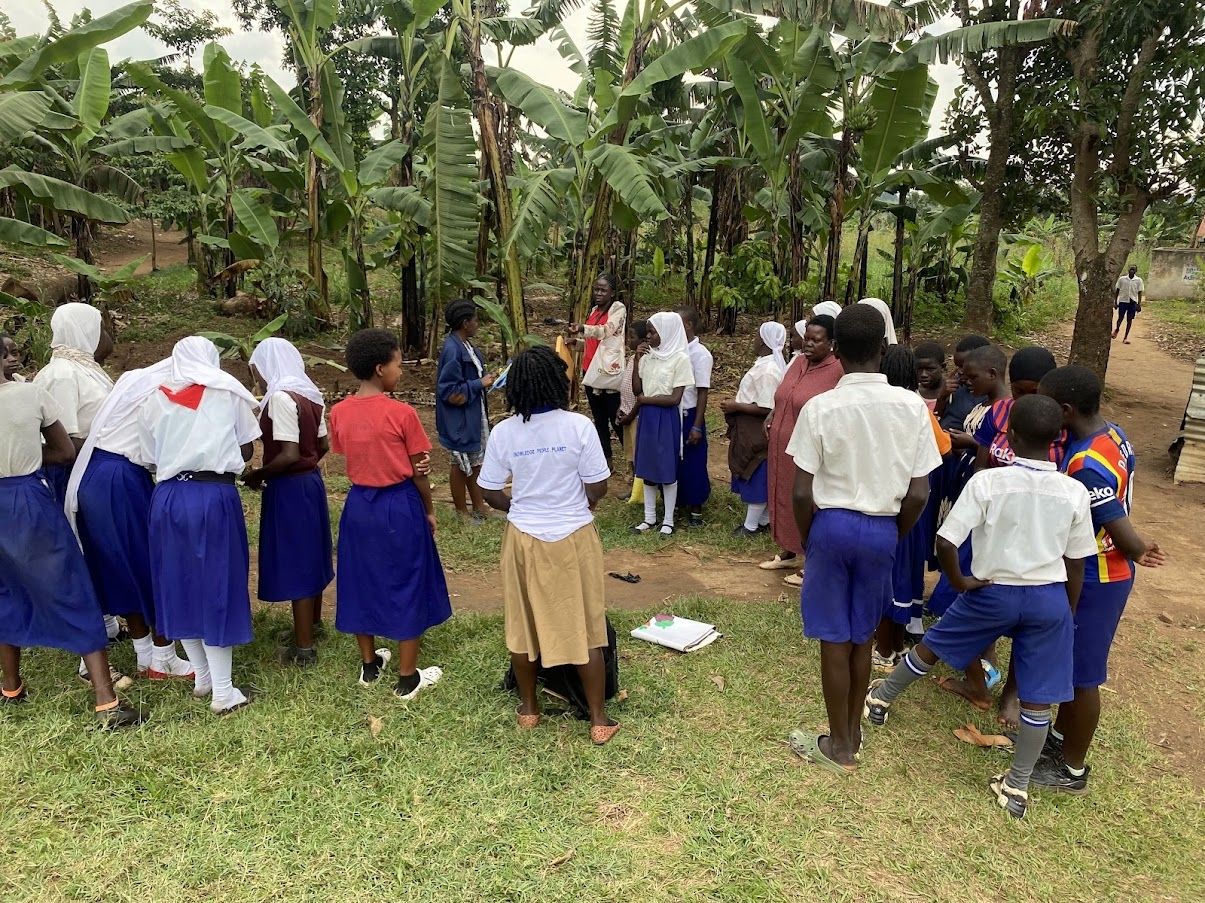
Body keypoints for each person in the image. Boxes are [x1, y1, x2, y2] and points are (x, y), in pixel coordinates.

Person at [864, 394, 1100, 818]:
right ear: (1057, 438)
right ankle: (1017, 786)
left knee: (932, 646)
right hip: (1049, 597)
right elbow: (1077, 562)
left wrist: (960, 581)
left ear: (1009, 435)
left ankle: (880, 700)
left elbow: (945, 540)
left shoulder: (988, 482)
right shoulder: (1074, 491)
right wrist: (1067, 610)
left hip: (992, 590)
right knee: (1037, 699)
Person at [786, 304, 941, 771]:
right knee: (861, 637)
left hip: (830, 526)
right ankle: (851, 733)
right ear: (882, 348)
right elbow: (920, 491)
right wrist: (893, 531)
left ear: (835, 348)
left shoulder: (821, 406)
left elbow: (800, 489)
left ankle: (838, 746)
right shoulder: (911, 406)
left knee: (833, 639)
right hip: (882, 529)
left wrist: (813, 536)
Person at [1031, 366, 1166, 794]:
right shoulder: (1113, 435)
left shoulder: (1085, 463)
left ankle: (1071, 770)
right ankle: (1058, 739)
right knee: (1072, 667)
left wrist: (1138, 546)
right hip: (1100, 572)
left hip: (1097, 576)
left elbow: (1115, 524)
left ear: (1066, 411)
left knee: (1084, 676)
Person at [478, 346, 620, 744]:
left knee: (523, 623)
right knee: (588, 626)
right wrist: (581, 503)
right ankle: (598, 718)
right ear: (558, 383)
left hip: (524, 538)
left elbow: (488, 490)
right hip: (574, 536)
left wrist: (518, 507)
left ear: (516, 388)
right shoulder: (578, 426)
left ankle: (529, 707)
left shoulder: (505, 432)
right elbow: (599, 485)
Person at [0, 335, 143, 728]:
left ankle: (11, 687)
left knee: (5, 591)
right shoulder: (31, 395)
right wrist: (27, 450)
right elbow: (65, 452)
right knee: (72, 587)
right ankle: (106, 702)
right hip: (26, 499)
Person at [138, 337, 261, 716]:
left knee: (178, 583)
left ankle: (202, 676)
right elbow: (246, 448)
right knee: (217, 585)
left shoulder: (153, 398)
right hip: (213, 496)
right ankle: (223, 691)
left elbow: (149, 457)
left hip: (169, 497)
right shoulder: (228, 393)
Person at [329, 329, 451, 700]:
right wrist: (429, 510)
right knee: (407, 579)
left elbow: (346, 452)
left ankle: (369, 665)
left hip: (359, 506)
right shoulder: (402, 413)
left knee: (359, 578)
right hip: (399, 505)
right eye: (399, 364)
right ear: (381, 368)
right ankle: (408, 676)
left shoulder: (338, 412)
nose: (402, 370)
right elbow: (419, 471)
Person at [65, 356, 195, 682]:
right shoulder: (165, 390)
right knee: (148, 563)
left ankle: (145, 654)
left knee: (120, 565)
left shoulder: (135, 380)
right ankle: (163, 659)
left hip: (95, 476)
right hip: (121, 478)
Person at [32, 303, 127, 684]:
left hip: (96, 469)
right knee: (82, 550)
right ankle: (87, 658)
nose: (107, 335)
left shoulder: (85, 369)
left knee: (100, 548)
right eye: (100, 327)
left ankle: (104, 621)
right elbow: (63, 438)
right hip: (75, 472)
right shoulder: (60, 374)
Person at [244, 338, 334, 667]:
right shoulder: (310, 394)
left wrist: (257, 475)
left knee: (296, 557)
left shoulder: (281, 397)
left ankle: (304, 647)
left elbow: (288, 454)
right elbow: (322, 444)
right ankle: (312, 624)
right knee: (311, 551)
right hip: (310, 483)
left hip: (289, 487)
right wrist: (307, 463)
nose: (257, 377)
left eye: (257, 369)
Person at [873, 345, 952, 670]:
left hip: (885, 504)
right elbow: (944, 449)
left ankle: (883, 648)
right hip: (915, 507)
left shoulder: (875, 407)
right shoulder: (918, 409)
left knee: (887, 577)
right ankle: (893, 645)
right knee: (905, 575)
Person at [760, 314, 842, 585]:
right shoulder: (797, 362)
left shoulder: (837, 371)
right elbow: (785, 395)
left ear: (831, 343)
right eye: (806, 338)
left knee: (807, 500)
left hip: (809, 450)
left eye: (816, 341)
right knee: (781, 495)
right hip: (781, 446)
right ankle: (788, 552)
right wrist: (773, 413)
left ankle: (813, 562)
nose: (808, 345)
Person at [722, 322, 788, 537]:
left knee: (755, 470)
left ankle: (751, 526)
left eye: (757, 337)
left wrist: (736, 406)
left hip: (755, 427)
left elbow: (767, 406)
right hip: (749, 424)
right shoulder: (766, 364)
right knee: (756, 468)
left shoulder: (768, 370)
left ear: (764, 341)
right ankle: (764, 520)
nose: (754, 341)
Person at [436, 299, 498, 522]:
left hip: (473, 414)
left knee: (475, 461)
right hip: (459, 419)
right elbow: (448, 391)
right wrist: (478, 384)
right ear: (465, 323)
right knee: (460, 464)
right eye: (475, 320)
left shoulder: (467, 346)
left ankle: (479, 505)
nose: (477, 324)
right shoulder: (452, 350)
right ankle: (461, 512)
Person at [631, 312, 693, 536]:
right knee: (647, 467)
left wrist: (645, 400)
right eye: (647, 331)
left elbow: (675, 398)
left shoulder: (680, 359)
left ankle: (668, 520)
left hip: (666, 418)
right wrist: (638, 359)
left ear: (666, 333)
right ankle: (649, 518)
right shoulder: (649, 357)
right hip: (647, 417)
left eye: (652, 332)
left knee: (666, 468)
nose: (648, 337)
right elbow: (637, 389)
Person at [569, 273, 626, 466]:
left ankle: (633, 462)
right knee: (599, 418)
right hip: (590, 369)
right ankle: (606, 461)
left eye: (603, 290)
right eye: (596, 289)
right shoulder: (594, 310)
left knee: (615, 417)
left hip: (608, 372)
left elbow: (605, 331)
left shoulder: (618, 308)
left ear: (612, 293)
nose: (598, 293)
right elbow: (592, 343)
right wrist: (576, 342)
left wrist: (582, 328)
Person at [678, 307, 713, 526]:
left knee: (694, 460)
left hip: (690, 413)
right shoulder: (674, 350)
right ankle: (678, 500)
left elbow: (702, 391)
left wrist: (697, 425)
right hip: (674, 413)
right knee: (677, 460)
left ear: (689, 325)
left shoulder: (700, 354)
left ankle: (696, 506)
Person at [616, 320, 648, 504]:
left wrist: (630, 414)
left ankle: (639, 491)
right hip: (627, 412)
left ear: (643, 341)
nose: (628, 340)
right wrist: (620, 409)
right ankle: (633, 487)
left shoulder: (643, 361)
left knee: (638, 454)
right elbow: (626, 387)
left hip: (636, 415)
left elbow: (640, 393)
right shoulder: (631, 359)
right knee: (631, 454)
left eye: (632, 337)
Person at [938, 334, 990, 433]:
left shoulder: (988, 398)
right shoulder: (956, 386)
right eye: (957, 366)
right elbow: (938, 416)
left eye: (963, 366)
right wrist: (942, 396)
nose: (960, 371)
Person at [1113, 264, 1144, 344]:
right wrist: (1115, 302)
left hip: (1132, 302)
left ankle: (1125, 337)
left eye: (1133, 269)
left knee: (1129, 320)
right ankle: (1117, 329)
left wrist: (1139, 304)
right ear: (1128, 270)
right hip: (1123, 301)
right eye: (1130, 269)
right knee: (1120, 318)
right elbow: (1117, 291)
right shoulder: (1122, 279)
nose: (1131, 271)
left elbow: (1140, 292)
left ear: (1136, 271)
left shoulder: (1138, 280)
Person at [914, 341, 947, 412]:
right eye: (919, 369)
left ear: (942, 367)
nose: (923, 374)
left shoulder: (950, 393)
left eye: (930, 369)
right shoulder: (913, 392)